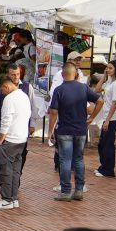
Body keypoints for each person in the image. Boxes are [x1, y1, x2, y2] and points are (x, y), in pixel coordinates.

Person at [46, 61, 92, 202]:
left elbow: (53, 112)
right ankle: (78, 189)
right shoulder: (83, 88)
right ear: (75, 74)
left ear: (62, 74)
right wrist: (92, 117)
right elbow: (100, 100)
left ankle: (65, 191)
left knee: (65, 160)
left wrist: (50, 130)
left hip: (65, 129)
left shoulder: (59, 90)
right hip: (80, 130)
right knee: (78, 159)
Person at [0, 70, 31, 211]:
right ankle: (13, 198)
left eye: (2, 90)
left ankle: (7, 199)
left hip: (10, 140)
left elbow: (6, 120)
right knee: (15, 170)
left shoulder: (9, 99)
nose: (2, 93)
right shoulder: (24, 96)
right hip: (21, 139)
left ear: (6, 87)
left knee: (4, 169)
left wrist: (1, 139)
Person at [94, 60, 116, 178]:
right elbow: (96, 90)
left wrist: (107, 120)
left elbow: (115, 102)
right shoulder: (109, 83)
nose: (108, 70)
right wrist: (104, 76)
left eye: (110, 68)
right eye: (107, 68)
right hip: (106, 117)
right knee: (102, 143)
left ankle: (108, 170)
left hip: (113, 118)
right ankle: (104, 167)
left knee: (107, 144)